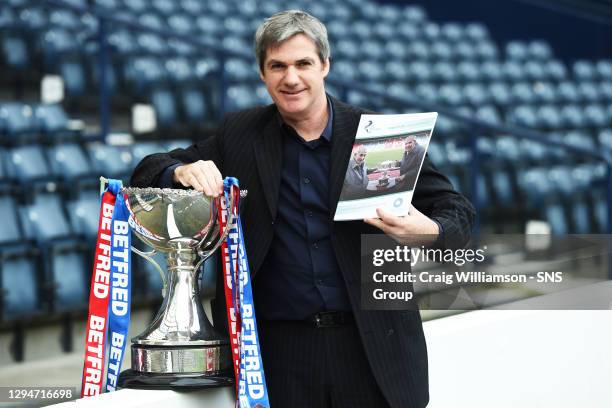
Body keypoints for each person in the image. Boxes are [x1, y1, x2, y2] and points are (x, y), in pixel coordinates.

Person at [130, 10, 475, 408]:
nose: (290, 78)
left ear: (325, 66)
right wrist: (183, 170)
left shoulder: (374, 137)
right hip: (279, 354)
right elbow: (147, 170)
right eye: (277, 66)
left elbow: (457, 210)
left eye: (303, 64)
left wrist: (427, 231)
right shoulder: (240, 134)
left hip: (373, 347)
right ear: (262, 73)